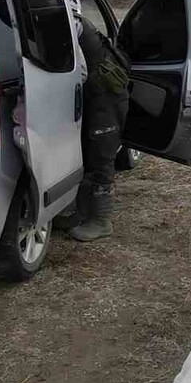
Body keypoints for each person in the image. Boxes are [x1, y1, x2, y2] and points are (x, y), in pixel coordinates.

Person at [54, 14, 131, 242]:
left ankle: (101, 220)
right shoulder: (70, 21)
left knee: (101, 157)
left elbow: (80, 73)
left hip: (107, 99)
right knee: (87, 153)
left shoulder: (70, 25)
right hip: (93, 96)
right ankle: (82, 214)